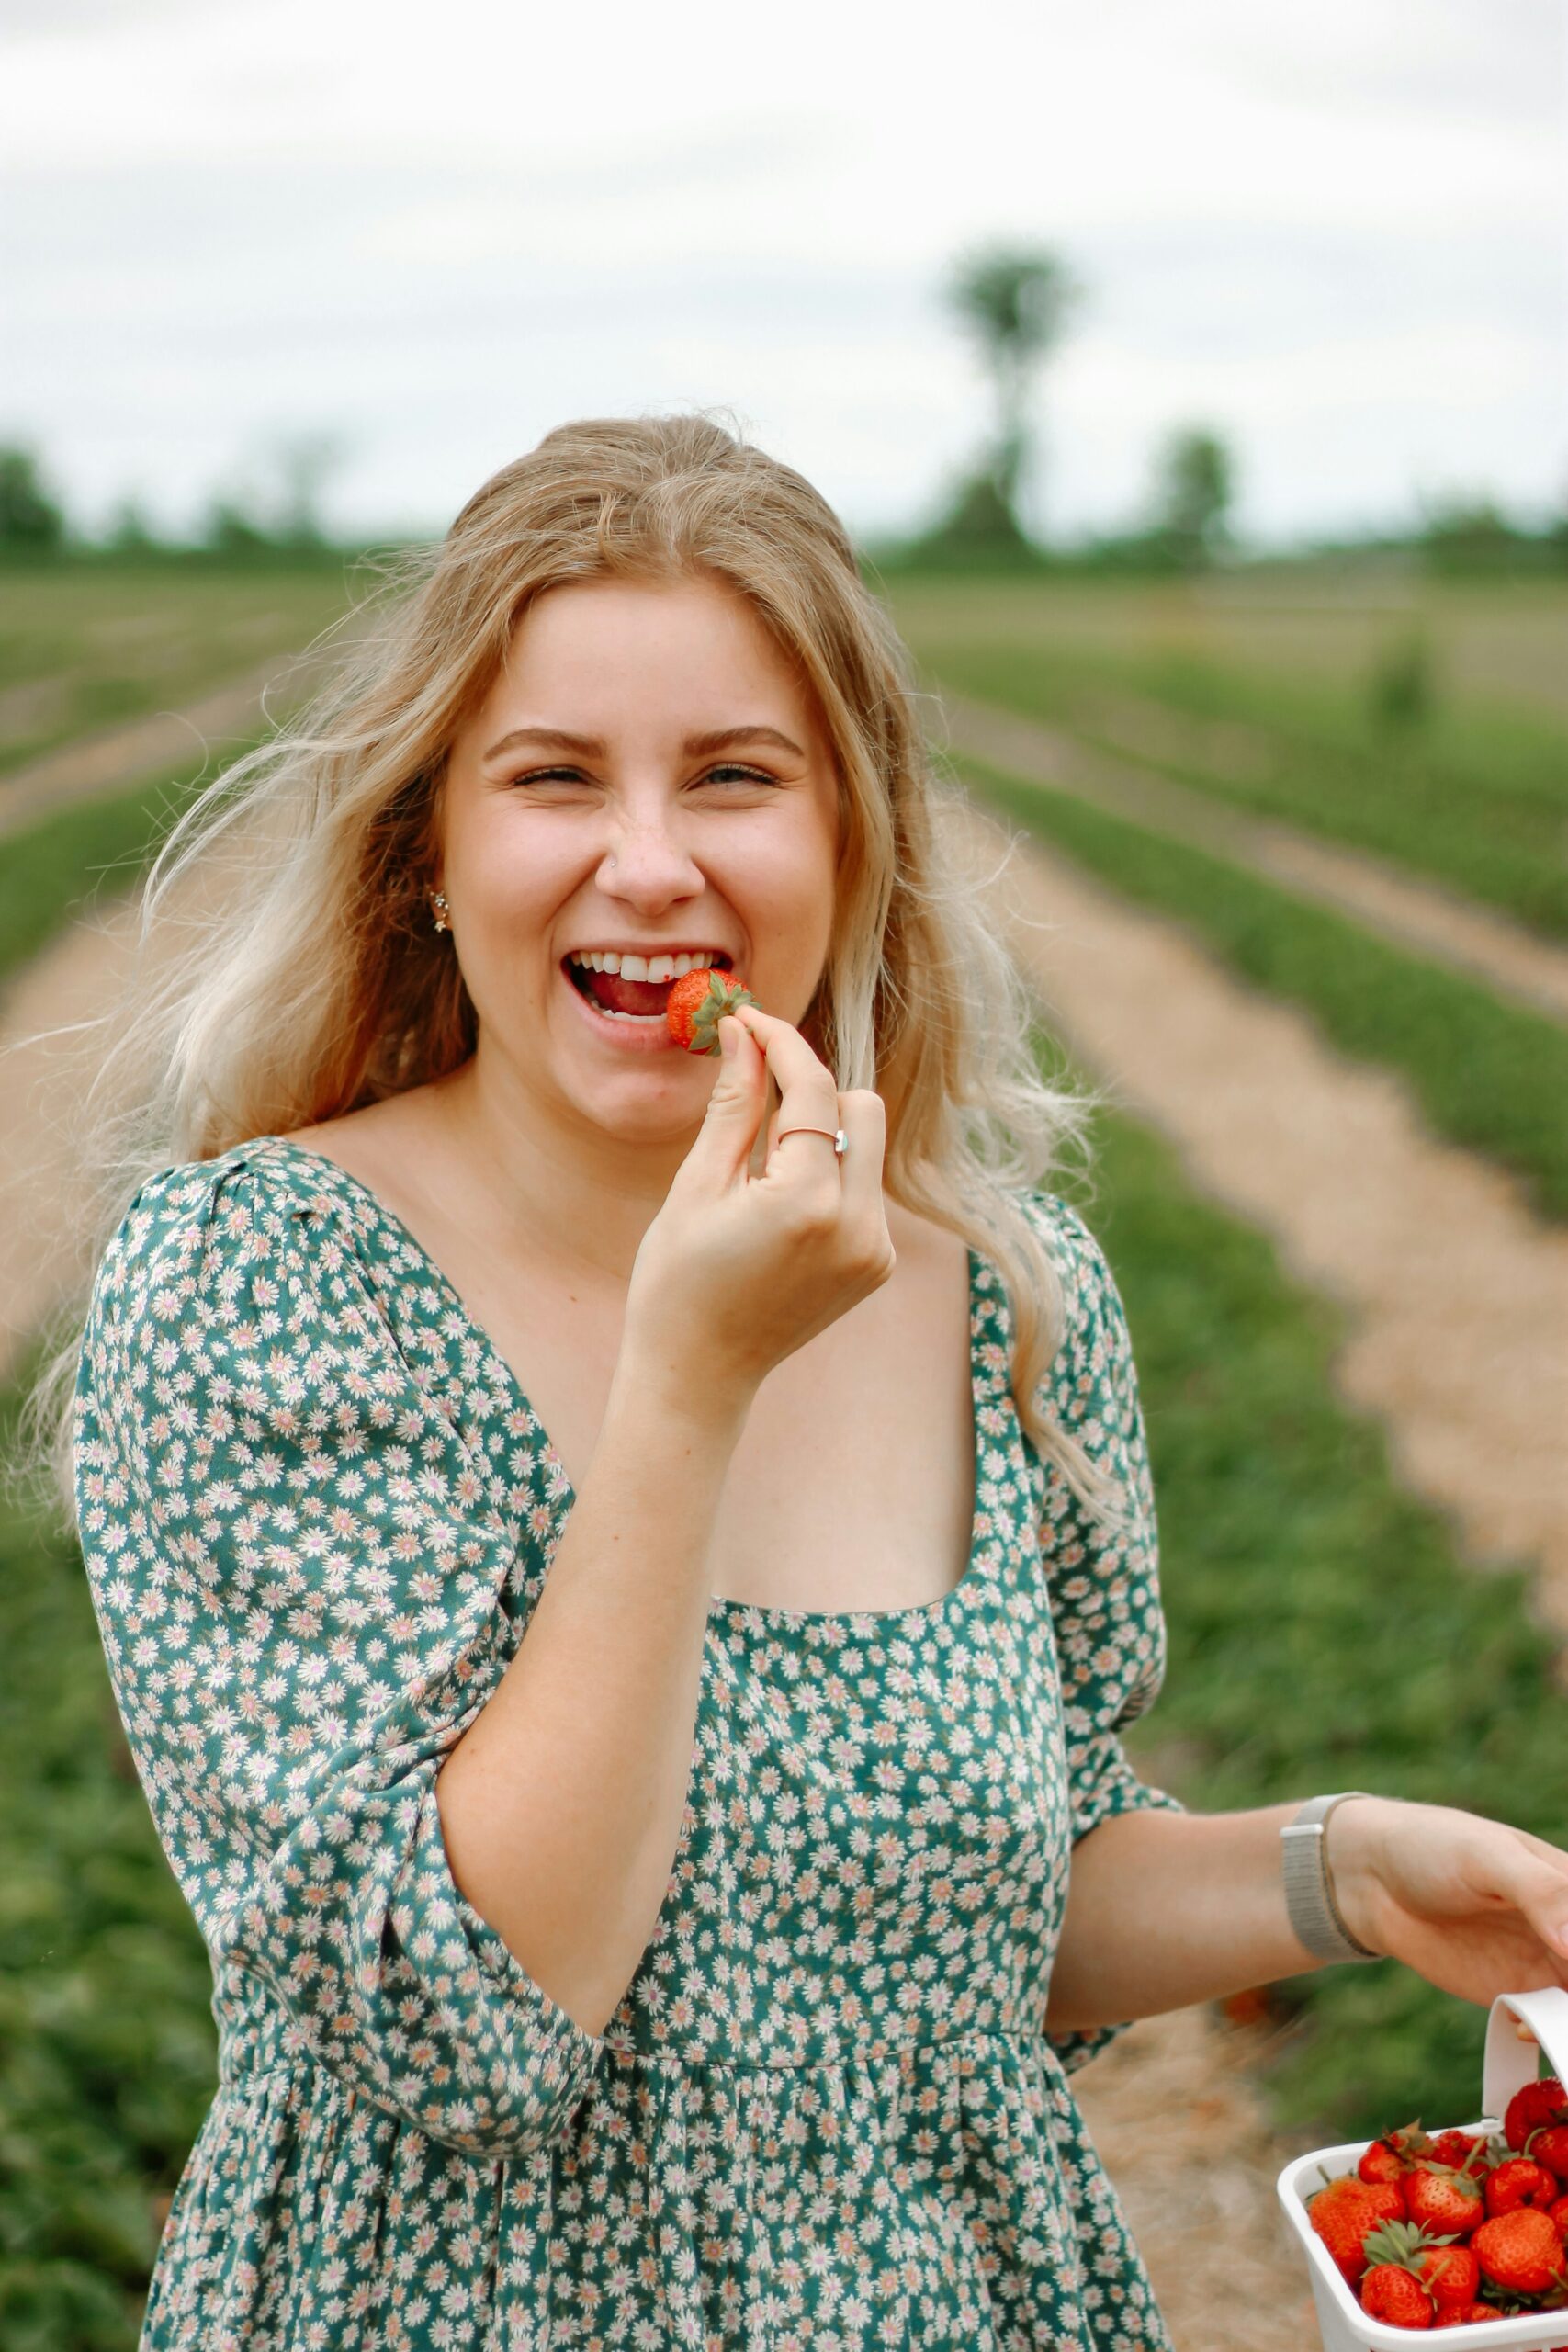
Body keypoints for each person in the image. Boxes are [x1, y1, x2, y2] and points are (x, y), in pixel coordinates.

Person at [58, 414, 1568, 2352]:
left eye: (734, 777)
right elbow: (454, 2020)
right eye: (552, 777)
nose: (649, 859)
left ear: (850, 844)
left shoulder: (1002, 1300)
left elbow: (966, 1922)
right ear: (431, 843)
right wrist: (689, 1383)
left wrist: (1339, 1868)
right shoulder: (260, 1280)